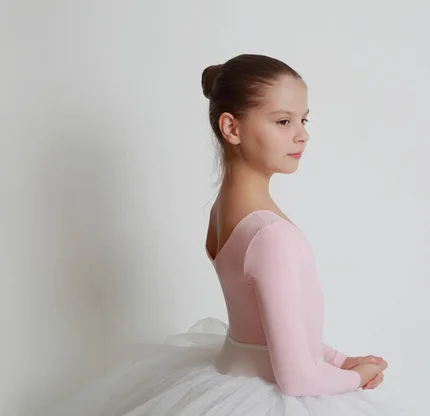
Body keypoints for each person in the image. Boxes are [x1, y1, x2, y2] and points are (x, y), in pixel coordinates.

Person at [39, 53, 403, 415]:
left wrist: (340, 359)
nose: (302, 134)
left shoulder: (224, 213)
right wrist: (358, 378)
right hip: (271, 397)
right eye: (282, 121)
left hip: (232, 377)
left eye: (303, 119)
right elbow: (297, 379)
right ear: (232, 128)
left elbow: (267, 332)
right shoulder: (272, 235)